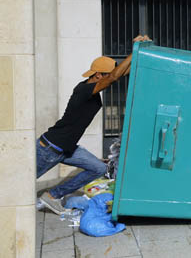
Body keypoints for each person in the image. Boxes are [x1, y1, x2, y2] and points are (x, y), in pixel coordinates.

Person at [37, 35, 150, 214]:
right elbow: (114, 77)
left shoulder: (92, 87)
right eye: (106, 75)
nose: (111, 78)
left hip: (68, 148)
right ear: (98, 75)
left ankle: (52, 195)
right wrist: (132, 49)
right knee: (21, 184)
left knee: (98, 168)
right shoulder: (84, 90)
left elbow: (118, 74)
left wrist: (140, 52)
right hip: (50, 147)